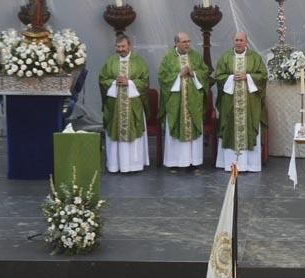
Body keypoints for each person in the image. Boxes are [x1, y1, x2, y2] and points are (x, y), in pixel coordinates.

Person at [214, 32, 267, 172]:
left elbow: (263, 76)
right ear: (233, 41)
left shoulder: (255, 58)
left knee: (249, 126)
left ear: (246, 42)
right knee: (229, 127)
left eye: (241, 40)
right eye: (236, 40)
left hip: (250, 102)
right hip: (229, 102)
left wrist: (248, 77)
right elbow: (218, 76)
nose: (238, 42)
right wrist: (231, 78)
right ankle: (229, 164)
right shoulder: (225, 57)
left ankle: (250, 165)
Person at [158, 32, 210, 172]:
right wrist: (178, 75)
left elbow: (205, 73)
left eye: (189, 41)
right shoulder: (168, 58)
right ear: (176, 43)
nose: (187, 44)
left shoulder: (195, 56)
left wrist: (193, 73)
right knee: (175, 127)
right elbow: (162, 78)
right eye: (184, 42)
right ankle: (174, 162)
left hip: (193, 101)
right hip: (176, 103)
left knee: (193, 126)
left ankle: (194, 163)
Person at [98, 34, 150, 173]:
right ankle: (115, 165)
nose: (120, 49)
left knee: (133, 134)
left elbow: (145, 82)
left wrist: (130, 82)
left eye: (123, 46)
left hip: (133, 106)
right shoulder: (110, 62)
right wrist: (114, 82)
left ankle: (134, 165)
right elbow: (102, 79)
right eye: (118, 46)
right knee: (115, 133)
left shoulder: (139, 62)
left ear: (129, 46)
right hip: (115, 108)